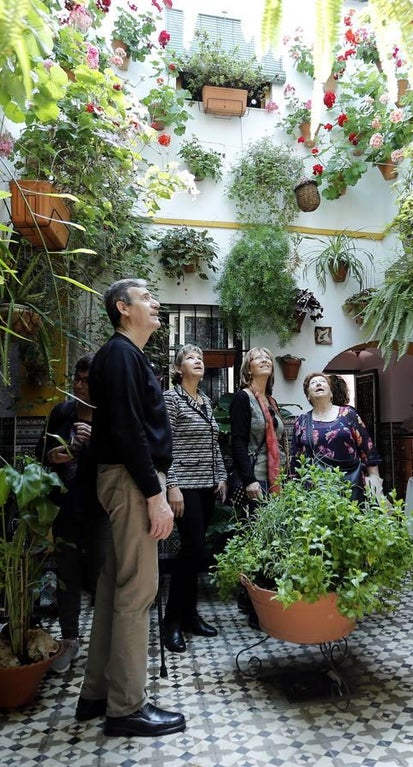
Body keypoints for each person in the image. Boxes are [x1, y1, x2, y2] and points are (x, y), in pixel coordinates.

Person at [74, 279, 185, 738]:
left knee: (114, 592)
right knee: (137, 594)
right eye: (145, 297)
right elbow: (127, 430)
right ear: (123, 309)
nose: (155, 303)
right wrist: (154, 493)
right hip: (130, 481)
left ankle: (98, 693)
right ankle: (126, 707)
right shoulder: (120, 355)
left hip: (121, 479)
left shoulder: (123, 356)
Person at [37, 353, 105, 674]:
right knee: (66, 575)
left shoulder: (108, 415)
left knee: (101, 577)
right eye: (76, 379)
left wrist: (91, 445)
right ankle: (69, 639)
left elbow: (116, 461)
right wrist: (53, 454)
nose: (79, 385)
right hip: (65, 507)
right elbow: (41, 451)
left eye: (87, 381)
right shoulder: (61, 412)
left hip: (100, 510)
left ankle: (106, 644)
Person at [162, 345, 227, 653]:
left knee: (196, 552)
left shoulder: (206, 401)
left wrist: (222, 475)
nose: (198, 361)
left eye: (200, 358)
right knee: (193, 548)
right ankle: (172, 622)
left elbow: (214, 444)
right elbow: (165, 445)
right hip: (184, 485)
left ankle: (188, 615)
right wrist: (171, 486)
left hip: (206, 486)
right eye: (190, 357)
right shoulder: (171, 399)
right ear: (178, 368)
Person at [289, 372, 382, 501]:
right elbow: (295, 457)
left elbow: (367, 447)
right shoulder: (302, 421)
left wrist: (374, 478)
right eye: (313, 383)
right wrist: (294, 488)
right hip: (316, 489)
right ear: (308, 395)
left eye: (322, 381)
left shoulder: (348, 414)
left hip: (351, 484)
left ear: (331, 393)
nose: (318, 384)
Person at [228, 347, 287, 507]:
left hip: (276, 478)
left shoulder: (271, 401)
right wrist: (249, 481)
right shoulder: (243, 398)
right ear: (248, 369)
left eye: (267, 357)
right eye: (258, 358)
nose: (264, 360)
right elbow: (238, 441)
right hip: (256, 479)